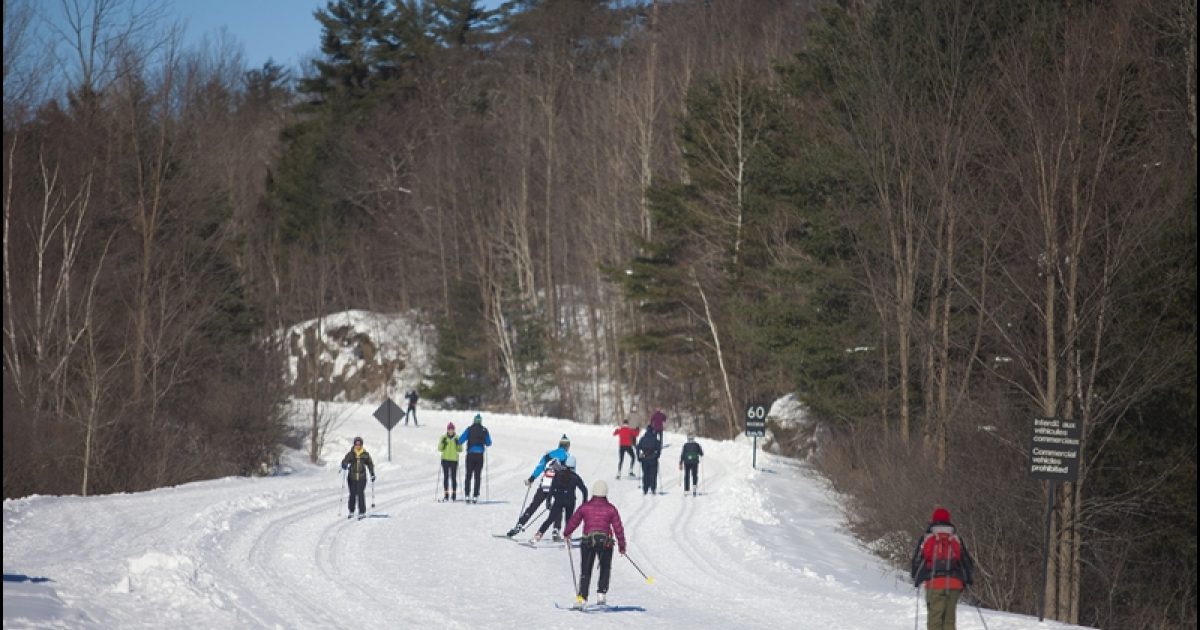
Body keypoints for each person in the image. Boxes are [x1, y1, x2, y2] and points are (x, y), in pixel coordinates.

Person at [563, 480, 626, 609]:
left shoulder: (585, 507)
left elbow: (574, 521)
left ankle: (582, 598)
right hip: (605, 543)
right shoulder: (611, 508)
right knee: (605, 568)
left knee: (585, 570)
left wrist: (566, 533)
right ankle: (601, 594)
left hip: (588, 541)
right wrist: (622, 545)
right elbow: (618, 527)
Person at [910, 507, 974, 630]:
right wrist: (967, 580)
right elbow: (966, 561)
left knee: (935, 619)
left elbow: (917, 560)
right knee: (949, 620)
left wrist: (916, 577)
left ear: (933, 520)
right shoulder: (956, 538)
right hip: (954, 583)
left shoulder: (927, 538)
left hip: (934, 582)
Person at [506, 435, 571, 537]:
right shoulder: (568, 457)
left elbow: (540, 467)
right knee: (558, 507)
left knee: (533, 506)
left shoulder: (549, 454)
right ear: (567, 446)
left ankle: (519, 524)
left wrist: (531, 478)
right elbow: (570, 473)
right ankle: (556, 530)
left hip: (545, 484)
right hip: (557, 486)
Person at [532, 454, 588, 543]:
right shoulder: (575, 477)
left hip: (558, 500)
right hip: (570, 501)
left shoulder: (558, 474)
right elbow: (584, 490)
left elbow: (551, 488)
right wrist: (584, 502)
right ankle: (567, 538)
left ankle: (538, 535)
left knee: (550, 519)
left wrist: (548, 501)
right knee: (568, 520)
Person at [456, 414, 492, 503]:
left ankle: (467, 495)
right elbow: (489, 443)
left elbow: (460, 440)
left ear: (474, 421)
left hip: (470, 455)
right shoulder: (484, 430)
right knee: (477, 476)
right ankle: (475, 495)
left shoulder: (469, 429)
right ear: (481, 421)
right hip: (480, 456)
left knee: (468, 475)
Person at [340, 436, 376, 519]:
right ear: (354, 445)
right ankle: (351, 511)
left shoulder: (365, 454)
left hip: (362, 477)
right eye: (356, 444)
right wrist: (344, 465)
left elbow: (370, 464)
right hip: (351, 477)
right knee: (352, 494)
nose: (358, 446)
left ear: (362, 445)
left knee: (360, 493)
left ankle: (362, 512)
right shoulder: (351, 454)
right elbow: (344, 461)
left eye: (359, 444)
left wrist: (372, 474)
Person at [438, 423, 462, 501]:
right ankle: (446, 494)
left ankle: (454, 494)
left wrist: (458, 444)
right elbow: (440, 449)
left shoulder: (457, 437)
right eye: (449, 429)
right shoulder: (443, 437)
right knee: (446, 477)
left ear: (454, 430)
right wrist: (443, 443)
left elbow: (460, 450)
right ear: (447, 430)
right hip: (445, 460)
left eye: (452, 429)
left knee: (453, 478)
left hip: (454, 460)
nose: (450, 431)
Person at [636, 428, 661, 495]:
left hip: (644, 458)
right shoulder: (655, 439)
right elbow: (659, 448)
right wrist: (657, 456)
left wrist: (639, 457)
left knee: (645, 474)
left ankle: (645, 489)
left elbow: (638, 448)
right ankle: (653, 488)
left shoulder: (642, 439)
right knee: (653, 474)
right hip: (653, 458)